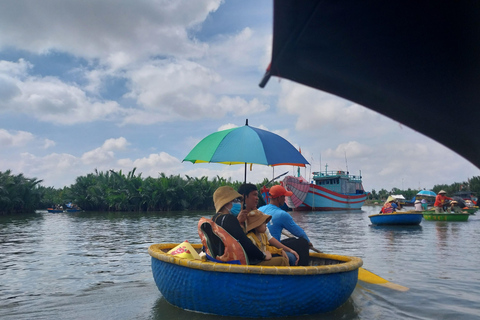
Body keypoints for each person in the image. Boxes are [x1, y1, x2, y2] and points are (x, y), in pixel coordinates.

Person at [238, 183, 300, 266]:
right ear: (244, 196)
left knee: (295, 250)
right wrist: (239, 222)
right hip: (254, 257)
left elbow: (269, 238)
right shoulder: (237, 217)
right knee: (290, 258)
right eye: (254, 195)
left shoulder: (258, 214)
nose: (257, 198)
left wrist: (286, 250)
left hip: (265, 251)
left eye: (257, 195)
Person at [211, 186, 268, 265]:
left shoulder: (215, 218)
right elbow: (245, 242)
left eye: (239, 200)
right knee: (282, 260)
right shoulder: (229, 219)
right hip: (240, 262)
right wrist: (263, 256)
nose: (238, 203)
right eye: (235, 200)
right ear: (226, 203)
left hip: (224, 259)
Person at [258, 184, 312, 266]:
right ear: (279, 198)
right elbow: (299, 232)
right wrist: (308, 242)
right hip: (272, 247)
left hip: (264, 245)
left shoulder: (260, 209)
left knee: (293, 240)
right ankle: (303, 270)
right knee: (303, 242)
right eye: (284, 197)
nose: (285, 199)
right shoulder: (282, 214)